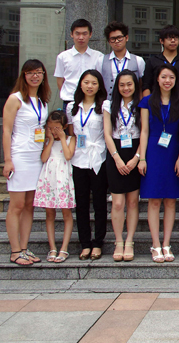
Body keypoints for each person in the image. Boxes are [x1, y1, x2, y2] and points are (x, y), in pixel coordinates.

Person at [2, 59, 51, 266]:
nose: (35, 76)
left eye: (38, 72)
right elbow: (6, 130)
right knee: (17, 205)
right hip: (19, 155)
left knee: (30, 205)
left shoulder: (42, 101)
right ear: (24, 75)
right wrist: (7, 160)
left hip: (35, 157)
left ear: (43, 75)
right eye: (30, 72)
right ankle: (15, 251)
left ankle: (24, 248)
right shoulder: (15, 99)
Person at [139, 65, 179, 263]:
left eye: (171, 77)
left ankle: (167, 244)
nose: (168, 81)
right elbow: (144, 131)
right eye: (164, 77)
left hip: (173, 151)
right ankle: (156, 244)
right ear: (157, 79)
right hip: (153, 151)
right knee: (154, 200)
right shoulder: (147, 101)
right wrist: (142, 158)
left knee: (170, 200)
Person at [102, 70, 143, 263]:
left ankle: (129, 241)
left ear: (135, 85)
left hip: (135, 151)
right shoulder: (109, 105)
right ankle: (118, 241)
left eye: (129, 84)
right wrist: (117, 158)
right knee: (118, 203)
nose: (126, 88)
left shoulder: (141, 104)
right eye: (122, 85)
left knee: (133, 202)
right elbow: (107, 134)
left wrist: (137, 158)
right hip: (116, 153)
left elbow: (145, 132)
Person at [68, 70, 108, 261]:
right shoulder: (72, 107)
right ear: (80, 84)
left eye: (94, 83)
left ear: (99, 86)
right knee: (81, 204)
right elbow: (71, 133)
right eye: (86, 82)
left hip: (99, 158)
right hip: (78, 159)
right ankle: (85, 243)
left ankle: (98, 242)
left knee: (99, 203)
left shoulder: (104, 106)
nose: (90, 86)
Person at [34, 109, 76, 263]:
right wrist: (50, 140)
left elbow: (68, 155)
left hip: (63, 177)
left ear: (64, 126)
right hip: (49, 177)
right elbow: (44, 158)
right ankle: (52, 247)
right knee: (49, 213)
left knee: (66, 213)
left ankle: (64, 248)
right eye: (50, 128)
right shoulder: (47, 141)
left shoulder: (71, 139)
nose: (53, 131)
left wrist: (63, 138)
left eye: (57, 128)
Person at [54, 19, 103, 112]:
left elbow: (100, 80)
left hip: (92, 102)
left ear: (90, 34)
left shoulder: (99, 56)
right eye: (77, 34)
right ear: (71, 34)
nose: (81, 37)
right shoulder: (62, 57)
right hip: (70, 101)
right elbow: (60, 81)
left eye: (84, 34)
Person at [142, 25, 179, 97]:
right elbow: (146, 85)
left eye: (176, 38)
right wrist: (147, 102)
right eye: (169, 38)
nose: (173, 40)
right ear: (161, 41)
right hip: (156, 101)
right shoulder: (152, 61)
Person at [101, 21, 145, 98]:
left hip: (132, 103)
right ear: (109, 41)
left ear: (126, 38)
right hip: (108, 102)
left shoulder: (138, 60)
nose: (117, 41)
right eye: (113, 39)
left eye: (119, 38)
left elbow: (142, 85)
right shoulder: (101, 60)